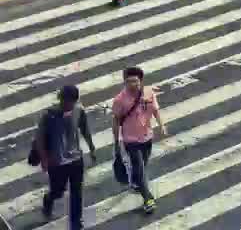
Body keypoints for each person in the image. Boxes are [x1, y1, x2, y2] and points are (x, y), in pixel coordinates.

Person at [36, 85, 97, 228]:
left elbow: (85, 130)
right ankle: (49, 199)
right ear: (60, 99)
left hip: (76, 159)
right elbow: (39, 139)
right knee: (58, 192)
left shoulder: (79, 110)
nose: (67, 105)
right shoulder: (48, 115)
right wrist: (44, 159)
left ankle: (76, 222)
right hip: (56, 162)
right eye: (65, 102)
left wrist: (92, 148)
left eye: (71, 102)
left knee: (77, 192)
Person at [111, 67, 165, 215]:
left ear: (141, 81)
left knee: (143, 164)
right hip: (131, 140)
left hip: (147, 136)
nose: (132, 85)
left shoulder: (148, 93)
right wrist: (116, 141)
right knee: (140, 168)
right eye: (128, 82)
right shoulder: (120, 100)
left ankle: (136, 183)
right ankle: (148, 199)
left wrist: (162, 125)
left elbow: (155, 110)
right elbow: (115, 121)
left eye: (135, 81)